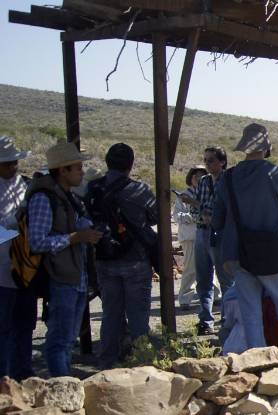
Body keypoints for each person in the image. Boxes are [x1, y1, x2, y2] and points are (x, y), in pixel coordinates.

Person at [210, 122, 278, 349]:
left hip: (240, 255)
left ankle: (258, 366)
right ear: (266, 147)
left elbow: (216, 220)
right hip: (274, 255)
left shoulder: (229, 177)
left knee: (251, 315)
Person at [27, 140, 102, 376]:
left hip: (74, 276)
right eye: (77, 167)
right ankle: (61, 386)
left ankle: (64, 383)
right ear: (63, 170)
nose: (81, 172)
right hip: (60, 277)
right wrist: (76, 237)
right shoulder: (44, 199)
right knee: (60, 340)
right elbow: (37, 241)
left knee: (68, 339)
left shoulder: (67, 198)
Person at [85, 143, 159, 369]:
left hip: (104, 257)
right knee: (138, 316)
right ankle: (143, 363)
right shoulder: (138, 190)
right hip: (135, 258)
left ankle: (106, 361)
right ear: (130, 164)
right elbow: (154, 216)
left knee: (110, 314)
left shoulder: (93, 188)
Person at [0, 137, 34, 379]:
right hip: (2, 270)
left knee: (25, 324)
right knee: (3, 327)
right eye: (7, 163)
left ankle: (22, 373)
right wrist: (15, 224)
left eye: (14, 162)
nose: (13, 167)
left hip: (25, 267)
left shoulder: (23, 185)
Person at [194, 146, 229, 334]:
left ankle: (226, 320)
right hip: (202, 231)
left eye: (211, 160)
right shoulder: (203, 181)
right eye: (205, 160)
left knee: (225, 280)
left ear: (222, 162)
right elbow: (198, 207)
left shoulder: (227, 181)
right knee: (203, 279)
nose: (207, 164)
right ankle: (206, 320)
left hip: (220, 233)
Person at [174, 165, 206, 308]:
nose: (198, 179)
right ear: (191, 178)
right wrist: (194, 217)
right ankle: (185, 299)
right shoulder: (183, 196)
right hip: (190, 237)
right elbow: (177, 216)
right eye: (195, 176)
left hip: (206, 234)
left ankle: (216, 296)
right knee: (190, 268)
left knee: (210, 268)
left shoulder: (207, 194)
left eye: (201, 176)